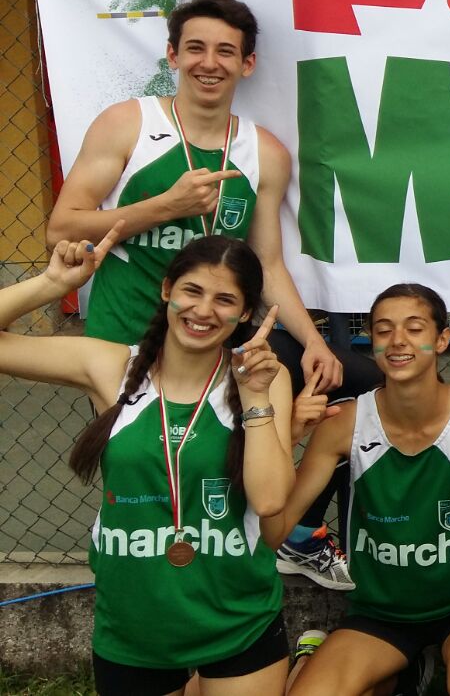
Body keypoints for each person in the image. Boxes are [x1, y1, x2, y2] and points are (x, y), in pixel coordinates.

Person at [46, 0, 380, 589]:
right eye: (195, 48)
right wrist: (163, 207)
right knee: (156, 465)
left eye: (226, 51)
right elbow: (63, 226)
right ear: (173, 54)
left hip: (216, 338)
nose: (209, 62)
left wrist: (312, 342)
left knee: (352, 382)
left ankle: (300, 534)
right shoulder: (129, 124)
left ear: (246, 64)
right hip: (130, 342)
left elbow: (267, 263)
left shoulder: (263, 152)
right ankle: (143, 569)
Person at [0, 228, 315, 695]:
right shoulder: (112, 366)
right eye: (192, 291)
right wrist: (51, 284)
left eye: (225, 300)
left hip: (237, 619)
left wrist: (254, 397)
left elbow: (270, 501)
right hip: (134, 626)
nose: (203, 310)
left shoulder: (263, 378)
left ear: (246, 312)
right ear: (167, 290)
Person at [264, 283, 450, 696]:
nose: (397, 340)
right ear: (371, 341)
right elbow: (275, 530)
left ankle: (414, 670)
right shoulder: (344, 422)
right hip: (379, 613)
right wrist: (287, 437)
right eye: (383, 329)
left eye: (414, 328)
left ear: (442, 339)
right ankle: (389, 672)